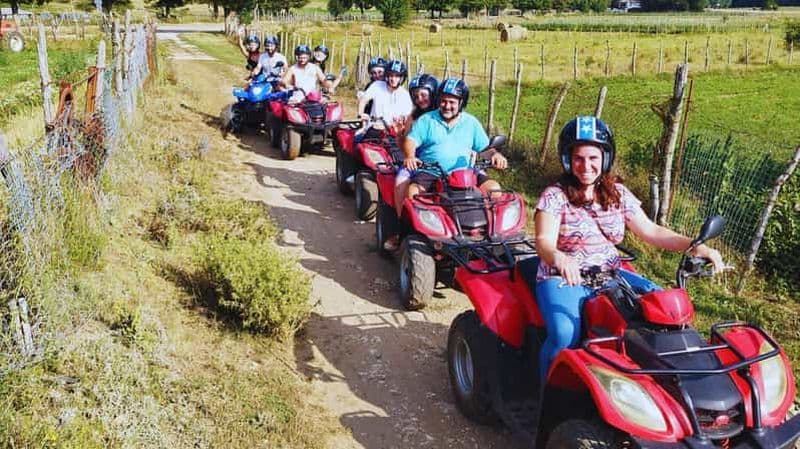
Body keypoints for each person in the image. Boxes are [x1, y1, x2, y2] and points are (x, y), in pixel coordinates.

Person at [533, 115, 726, 382]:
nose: (586, 166)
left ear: (605, 158)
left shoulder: (618, 194)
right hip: (562, 278)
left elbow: (651, 231)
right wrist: (559, 258)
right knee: (564, 333)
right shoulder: (554, 196)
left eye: (593, 158)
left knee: (666, 311)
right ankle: (548, 391)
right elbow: (543, 241)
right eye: (578, 158)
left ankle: (668, 383)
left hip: (610, 274)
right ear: (568, 159)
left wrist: (695, 246)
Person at [384, 78, 506, 251]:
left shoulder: (471, 122)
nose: (447, 106)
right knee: (413, 193)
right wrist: (410, 156)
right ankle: (407, 234)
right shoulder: (427, 120)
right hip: (432, 171)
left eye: (452, 102)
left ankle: (492, 234)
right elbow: (411, 141)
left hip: (465, 173)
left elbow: (485, 148)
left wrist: (495, 155)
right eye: (443, 101)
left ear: (461, 103)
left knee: (495, 189)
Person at [391, 73, 439, 219]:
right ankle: (401, 220)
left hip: (442, 163)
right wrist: (400, 135)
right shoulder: (413, 117)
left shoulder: (444, 115)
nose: (420, 99)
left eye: (423, 95)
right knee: (401, 181)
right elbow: (403, 146)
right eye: (416, 96)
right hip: (418, 162)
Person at [357, 60, 413, 132]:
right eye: (391, 76)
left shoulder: (405, 95)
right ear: (387, 76)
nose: (393, 79)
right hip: (374, 128)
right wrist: (361, 114)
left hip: (394, 132)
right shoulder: (377, 85)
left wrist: (400, 123)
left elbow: (408, 117)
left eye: (397, 76)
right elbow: (363, 101)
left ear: (402, 78)